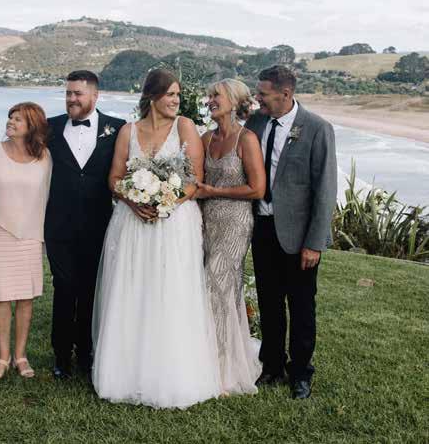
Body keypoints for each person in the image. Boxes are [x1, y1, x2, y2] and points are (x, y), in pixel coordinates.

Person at [92, 69, 220, 409]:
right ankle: (125, 373)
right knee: (132, 287)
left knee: (170, 289)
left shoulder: (185, 127)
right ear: (152, 96)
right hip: (132, 222)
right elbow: (114, 178)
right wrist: (133, 201)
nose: (176, 100)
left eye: (178, 94)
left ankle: (173, 374)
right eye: (170, 94)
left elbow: (195, 180)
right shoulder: (128, 131)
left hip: (174, 223)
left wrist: (166, 203)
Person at [246, 65, 337, 399]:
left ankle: (300, 373)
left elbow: (325, 190)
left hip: (299, 237)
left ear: (285, 94)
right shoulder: (255, 123)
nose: (258, 99)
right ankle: (272, 366)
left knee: (301, 307)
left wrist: (314, 243)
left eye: (263, 94)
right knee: (269, 303)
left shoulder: (317, 128)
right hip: (262, 229)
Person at [45, 70, 126, 379]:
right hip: (58, 225)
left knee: (91, 289)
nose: (71, 99)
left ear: (95, 95)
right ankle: (61, 355)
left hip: (99, 224)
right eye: (68, 93)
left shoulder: (117, 129)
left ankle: (86, 352)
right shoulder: (49, 127)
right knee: (64, 287)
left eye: (77, 93)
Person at [194, 79, 265, 395]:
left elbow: (257, 189)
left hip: (235, 222)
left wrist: (213, 191)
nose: (210, 100)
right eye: (209, 96)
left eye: (216, 96)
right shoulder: (205, 138)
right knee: (209, 287)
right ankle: (204, 358)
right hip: (206, 221)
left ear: (234, 101)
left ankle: (223, 370)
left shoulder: (246, 139)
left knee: (218, 285)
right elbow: (196, 181)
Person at [0, 102, 52, 380]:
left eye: (18, 119)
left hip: (30, 233)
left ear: (32, 126)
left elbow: (46, 195)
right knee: (1, 295)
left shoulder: (44, 157)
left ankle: (21, 356)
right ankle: (2, 357)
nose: (11, 122)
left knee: (25, 296)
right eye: (10, 117)